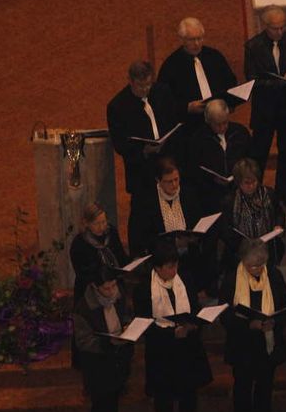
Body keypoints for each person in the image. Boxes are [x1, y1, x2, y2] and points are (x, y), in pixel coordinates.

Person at [134, 239, 213, 412]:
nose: (174, 270)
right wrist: (170, 334)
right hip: (162, 350)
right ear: (157, 268)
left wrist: (192, 326)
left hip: (187, 346)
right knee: (164, 395)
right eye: (169, 266)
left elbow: (194, 309)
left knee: (189, 392)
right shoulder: (144, 288)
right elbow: (143, 322)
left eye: (176, 265)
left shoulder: (185, 279)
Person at [220, 240, 286, 412]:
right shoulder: (232, 279)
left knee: (265, 387)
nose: (257, 269)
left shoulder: (274, 275)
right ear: (242, 261)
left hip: (266, 343)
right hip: (242, 344)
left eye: (261, 265)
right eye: (252, 266)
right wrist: (247, 325)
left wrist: (274, 322)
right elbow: (224, 315)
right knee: (242, 387)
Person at [72, 267, 134, 412]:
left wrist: (127, 327)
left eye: (114, 285)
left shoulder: (119, 297)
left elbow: (125, 316)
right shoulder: (84, 307)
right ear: (96, 288)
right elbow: (83, 341)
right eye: (106, 288)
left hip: (116, 360)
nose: (111, 291)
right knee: (101, 406)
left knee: (113, 405)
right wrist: (109, 342)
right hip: (98, 364)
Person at [244, 5, 286, 201]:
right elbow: (252, 79)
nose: (279, 32)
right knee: (260, 153)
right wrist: (279, 82)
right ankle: (256, 192)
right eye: (274, 28)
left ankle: (284, 191)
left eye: (282, 27)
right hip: (265, 109)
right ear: (265, 25)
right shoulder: (253, 46)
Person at [127, 156, 211, 292]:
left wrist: (192, 238)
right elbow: (140, 236)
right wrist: (172, 242)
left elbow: (197, 222)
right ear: (158, 181)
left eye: (176, 180)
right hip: (160, 261)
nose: (174, 185)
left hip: (187, 257)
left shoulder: (188, 194)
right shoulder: (145, 201)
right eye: (168, 182)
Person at [106, 60, 179, 197]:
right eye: (140, 86)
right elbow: (120, 144)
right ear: (130, 81)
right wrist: (143, 150)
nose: (145, 89)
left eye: (148, 84)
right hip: (141, 171)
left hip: (167, 162)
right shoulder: (118, 107)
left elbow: (173, 122)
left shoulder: (162, 92)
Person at [156, 17, 237, 138]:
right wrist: (187, 108)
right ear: (182, 40)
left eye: (200, 38)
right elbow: (163, 102)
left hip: (218, 122)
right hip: (190, 126)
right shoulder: (171, 66)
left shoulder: (214, 57)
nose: (197, 43)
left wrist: (229, 104)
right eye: (191, 40)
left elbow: (231, 82)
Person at [218, 158, 286, 274]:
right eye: (246, 183)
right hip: (240, 253)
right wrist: (244, 243)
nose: (251, 186)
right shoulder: (230, 201)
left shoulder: (269, 194)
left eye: (254, 181)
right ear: (239, 182)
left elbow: (279, 213)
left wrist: (278, 225)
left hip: (267, 250)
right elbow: (225, 230)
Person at [186, 99, 251, 215]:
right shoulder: (198, 139)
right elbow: (194, 171)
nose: (222, 127)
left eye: (225, 122)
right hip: (211, 193)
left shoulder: (240, 133)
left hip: (239, 188)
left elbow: (251, 160)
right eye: (217, 124)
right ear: (208, 121)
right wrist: (212, 179)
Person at [69, 202, 128, 303]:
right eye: (96, 223)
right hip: (91, 291)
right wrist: (101, 281)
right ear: (86, 223)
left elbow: (120, 257)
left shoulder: (111, 233)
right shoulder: (79, 243)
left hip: (114, 286)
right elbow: (82, 273)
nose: (101, 227)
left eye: (104, 222)